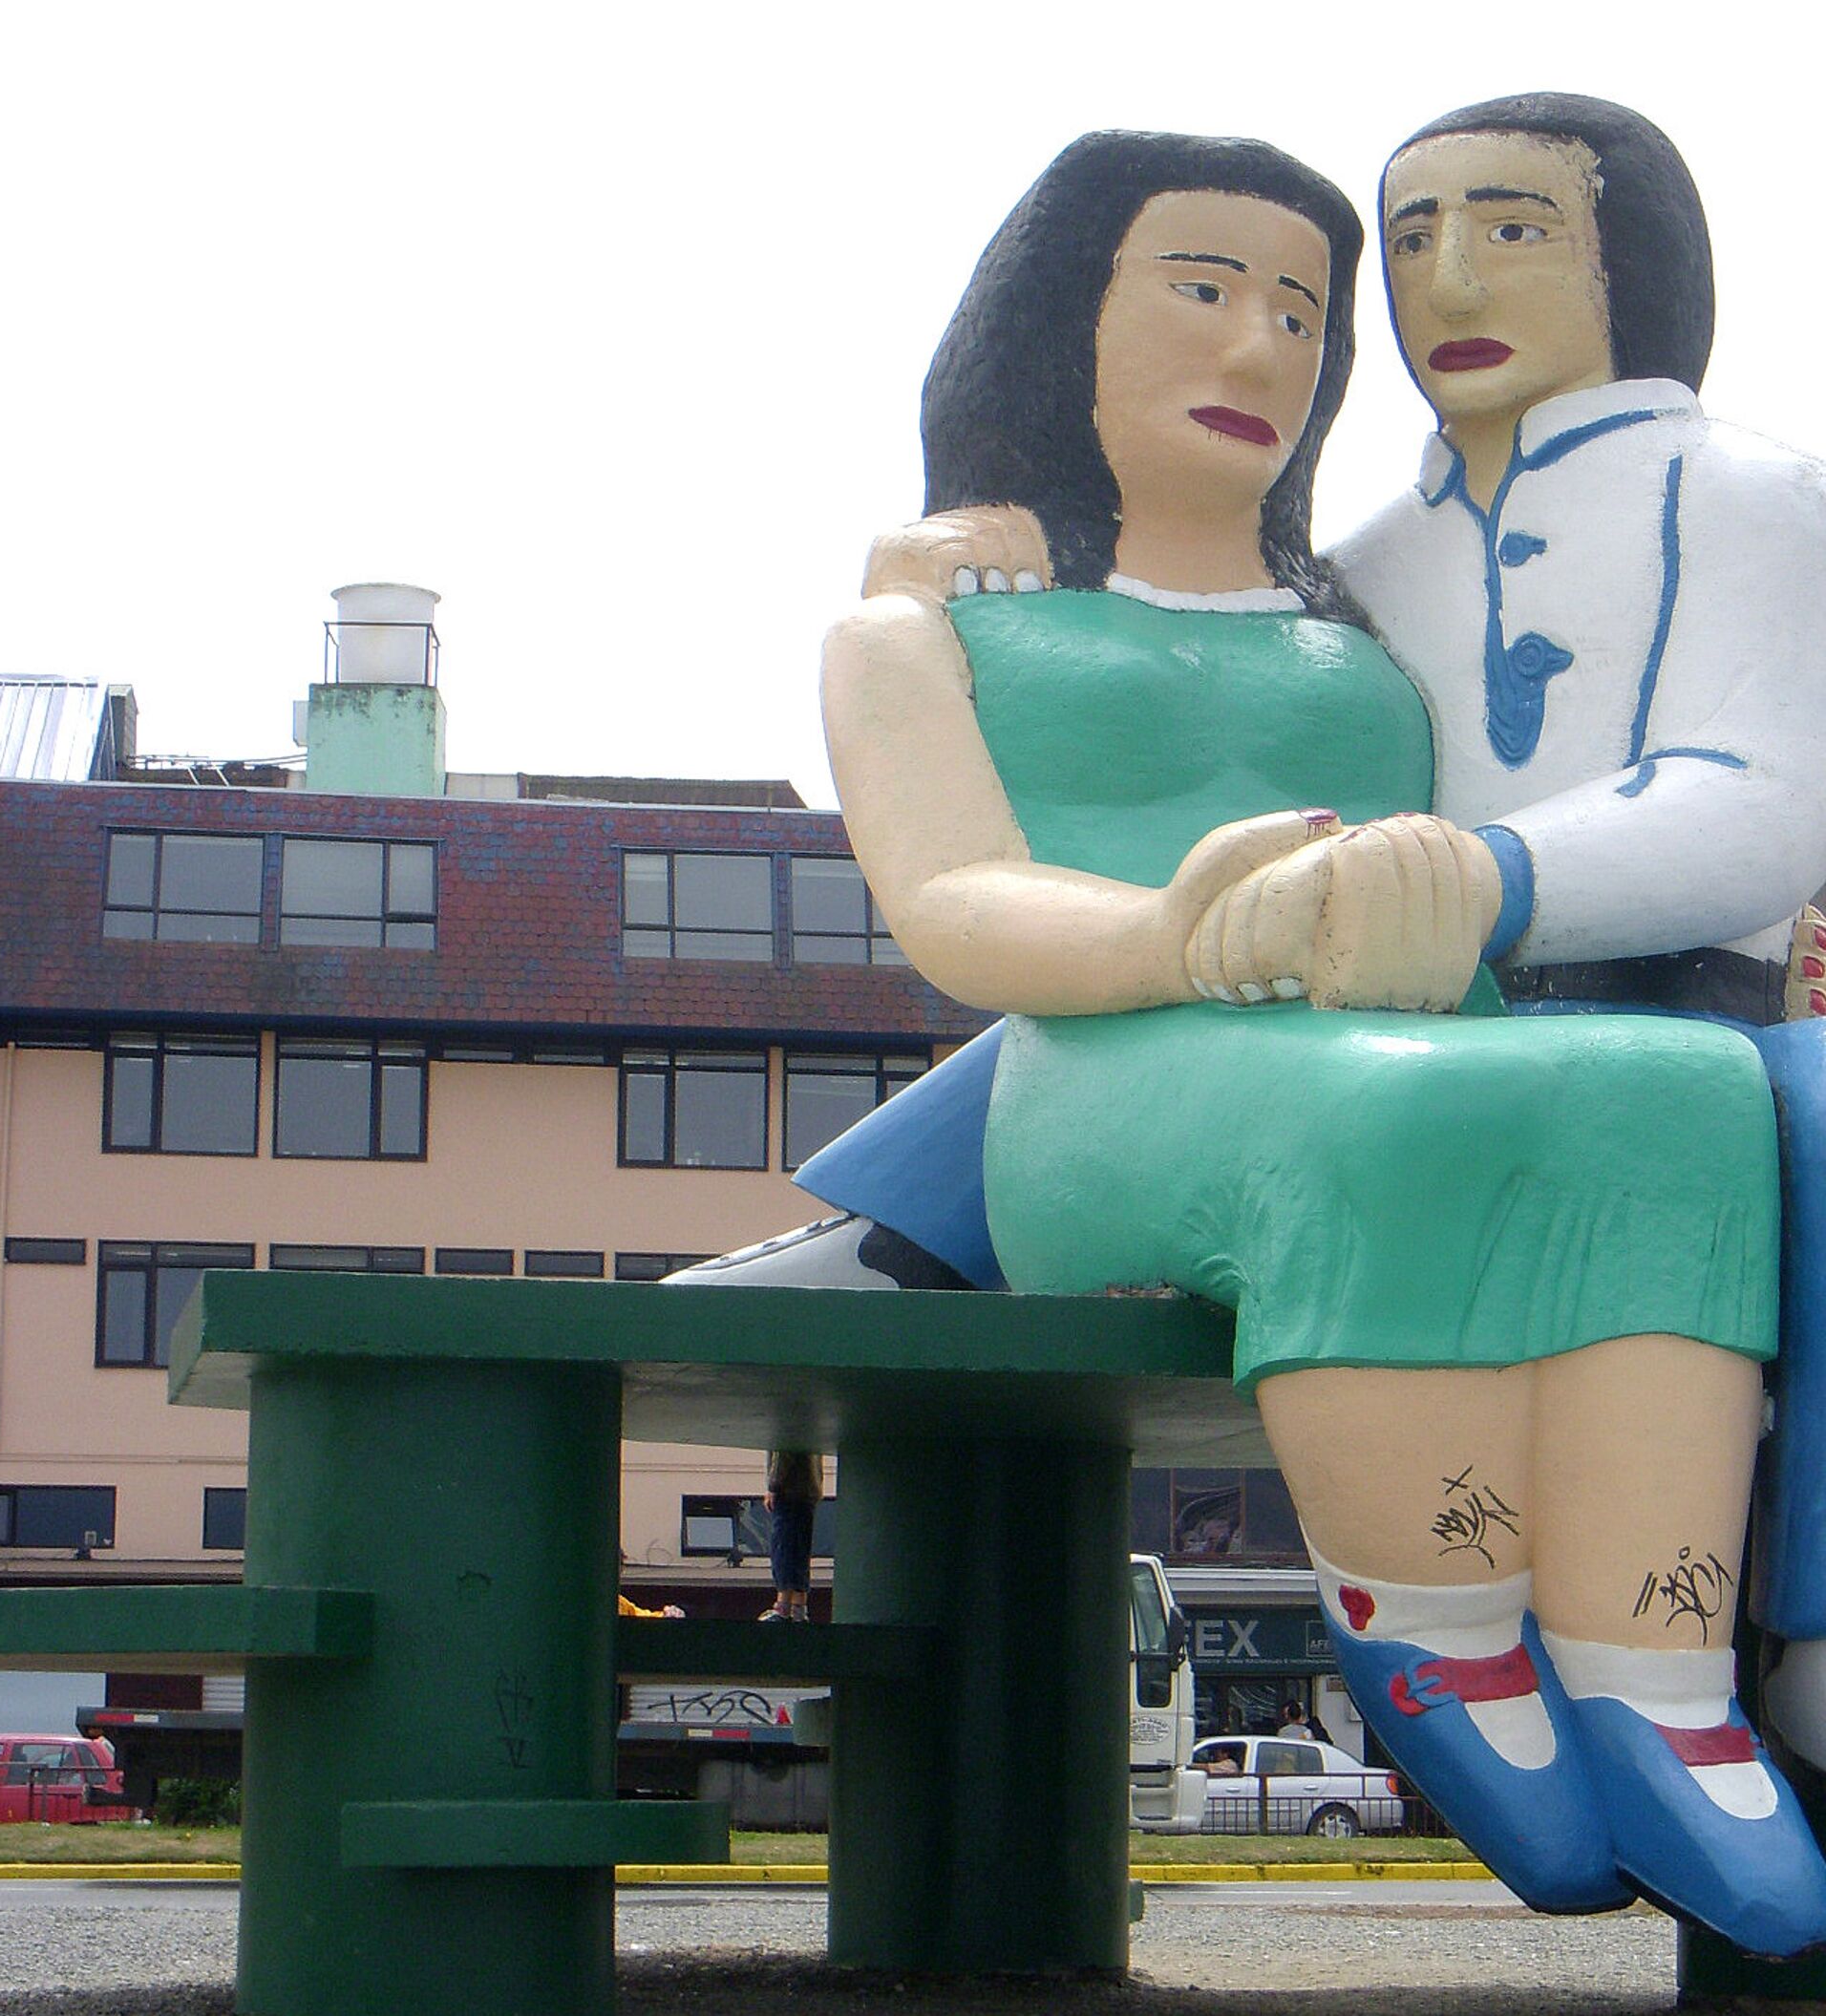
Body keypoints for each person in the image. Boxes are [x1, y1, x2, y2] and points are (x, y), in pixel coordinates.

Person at [812, 124, 1826, 1955]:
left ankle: (1652, 1652)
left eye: (1298, 307)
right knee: (1388, 1119)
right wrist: (1168, 932)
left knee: (1685, 1097)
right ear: (1058, 312)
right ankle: (1429, 1611)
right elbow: (955, 897)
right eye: (1204, 288)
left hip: (1390, 1026)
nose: (1260, 346)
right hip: (1124, 1070)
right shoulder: (922, 629)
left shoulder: (1339, 608)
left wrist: (1469, 891)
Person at [759, 1450, 822, 1623]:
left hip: (789, 1491)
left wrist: (773, 1487)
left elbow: (783, 1452)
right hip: (807, 1491)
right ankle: (798, 1609)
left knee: (784, 1549)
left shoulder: (788, 1433)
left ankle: (783, 1608)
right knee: (800, 1552)